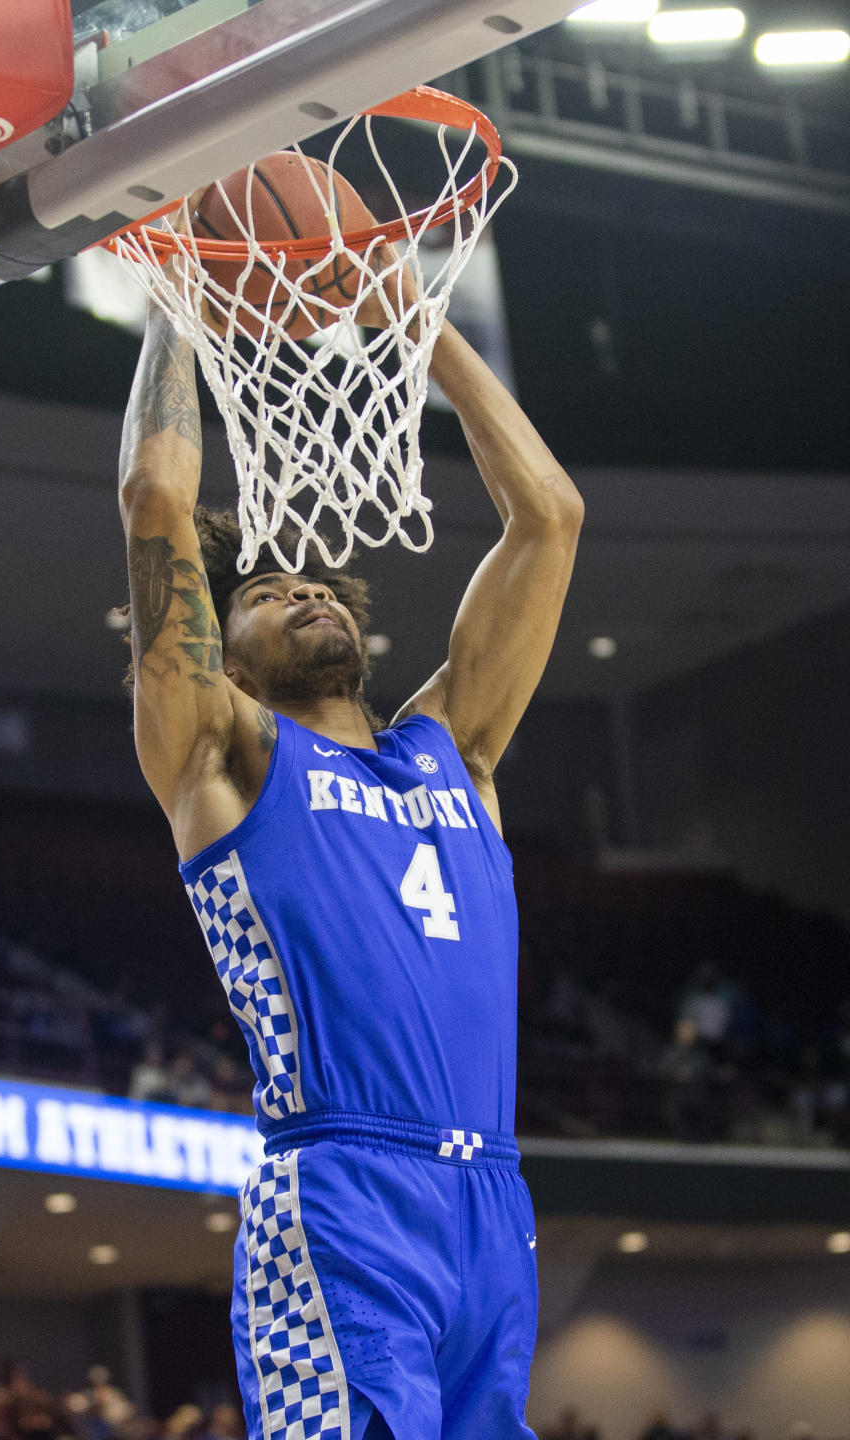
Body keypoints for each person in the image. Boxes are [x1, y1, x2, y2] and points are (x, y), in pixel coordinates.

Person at [118, 190, 584, 1440]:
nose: (310, 588)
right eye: (271, 588)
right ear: (228, 643)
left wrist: (412, 318)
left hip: (491, 1201)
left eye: (323, 579)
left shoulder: (456, 749)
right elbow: (158, 501)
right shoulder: (223, 749)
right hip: (342, 1189)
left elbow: (551, 519)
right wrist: (176, 297)